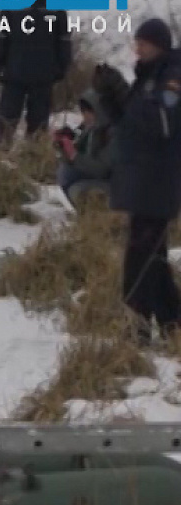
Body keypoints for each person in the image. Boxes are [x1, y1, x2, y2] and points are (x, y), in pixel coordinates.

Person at [92, 18, 181, 345]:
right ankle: (172, 322)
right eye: (136, 42)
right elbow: (130, 122)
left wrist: (129, 98)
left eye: (143, 42)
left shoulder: (173, 76)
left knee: (140, 256)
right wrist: (111, 96)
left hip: (159, 180)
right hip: (142, 179)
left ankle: (138, 324)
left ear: (159, 44)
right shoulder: (148, 77)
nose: (137, 47)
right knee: (152, 255)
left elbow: (162, 121)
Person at [0, 0, 72, 145]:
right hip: (14, 74)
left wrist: (61, 67)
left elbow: (63, 40)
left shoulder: (54, 6)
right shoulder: (12, 5)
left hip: (43, 76)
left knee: (38, 125)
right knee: (5, 121)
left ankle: (34, 161)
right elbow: (0, 36)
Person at [51, 89, 113, 206]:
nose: (84, 118)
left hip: (116, 185)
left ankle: (99, 215)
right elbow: (79, 143)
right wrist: (64, 144)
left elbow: (103, 170)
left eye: (87, 113)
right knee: (65, 172)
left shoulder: (113, 133)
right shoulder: (91, 126)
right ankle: (87, 215)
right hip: (99, 176)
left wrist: (74, 156)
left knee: (78, 190)